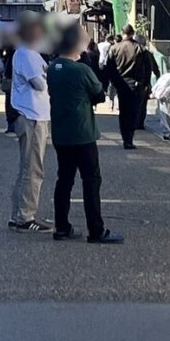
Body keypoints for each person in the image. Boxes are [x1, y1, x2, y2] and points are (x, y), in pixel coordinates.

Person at [46, 24, 123, 244]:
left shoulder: (53, 68)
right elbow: (99, 94)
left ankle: (62, 226)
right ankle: (96, 230)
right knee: (90, 181)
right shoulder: (81, 70)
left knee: (64, 180)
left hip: (61, 132)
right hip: (83, 132)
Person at [8, 13, 51, 232]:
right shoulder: (26, 53)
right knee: (33, 169)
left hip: (35, 115)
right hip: (31, 116)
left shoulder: (30, 53)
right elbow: (40, 84)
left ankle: (19, 214)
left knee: (27, 167)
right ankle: (25, 216)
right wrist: (48, 76)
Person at [107, 26, 154, 150]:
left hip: (121, 84)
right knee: (134, 112)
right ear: (132, 34)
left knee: (123, 111)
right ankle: (130, 138)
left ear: (122, 34)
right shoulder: (141, 48)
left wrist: (114, 82)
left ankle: (125, 138)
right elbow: (148, 68)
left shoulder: (114, 48)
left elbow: (109, 68)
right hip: (136, 84)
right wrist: (146, 83)